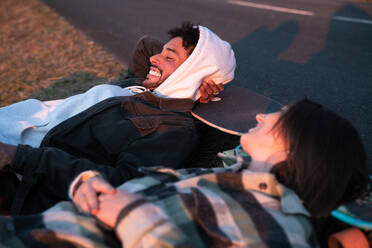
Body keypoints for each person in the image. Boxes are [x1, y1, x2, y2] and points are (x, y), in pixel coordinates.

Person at [0, 98, 368, 247]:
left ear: (302, 145)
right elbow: (124, 190)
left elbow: (134, 212)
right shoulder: (224, 180)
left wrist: (132, 215)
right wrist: (91, 186)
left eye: (279, 115)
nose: (260, 115)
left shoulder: (283, 223)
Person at [0, 22, 236, 215]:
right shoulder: (143, 87)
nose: (154, 58)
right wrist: (182, 64)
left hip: (23, 176)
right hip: (12, 127)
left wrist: (19, 156)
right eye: (161, 52)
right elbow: (146, 45)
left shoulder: (171, 128)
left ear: (191, 74)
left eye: (169, 57)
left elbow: (123, 183)